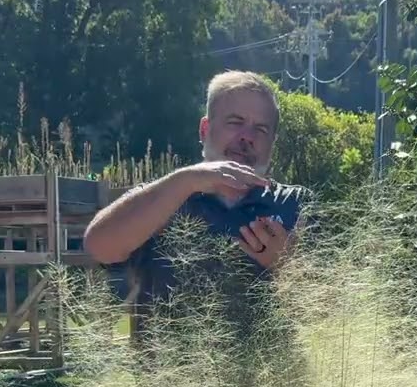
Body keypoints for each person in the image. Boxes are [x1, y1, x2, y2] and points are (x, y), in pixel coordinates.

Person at [84, 71, 307, 339]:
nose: (247, 137)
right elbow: (99, 246)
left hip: (272, 379)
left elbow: (336, 308)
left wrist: (288, 265)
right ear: (204, 129)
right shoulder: (165, 196)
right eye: (235, 122)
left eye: (261, 129)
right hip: (170, 378)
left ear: (272, 143)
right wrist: (187, 180)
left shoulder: (295, 203)